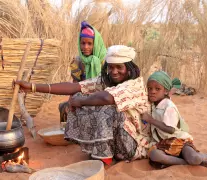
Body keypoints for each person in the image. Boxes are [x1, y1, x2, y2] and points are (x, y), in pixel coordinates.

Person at [14, 45, 151, 165]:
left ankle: (105, 157)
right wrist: (32, 87)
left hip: (133, 145)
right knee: (79, 95)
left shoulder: (135, 85)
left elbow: (107, 98)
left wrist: (80, 102)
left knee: (105, 107)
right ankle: (102, 151)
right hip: (118, 141)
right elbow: (75, 87)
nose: (114, 72)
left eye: (119, 67)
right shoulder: (106, 80)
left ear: (128, 68)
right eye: (111, 67)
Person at [141, 71, 207, 168]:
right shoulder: (153, 103)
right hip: (163, 143)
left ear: (165, 91)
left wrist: (150, 120)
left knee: (194, 158)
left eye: (157, 89)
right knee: (154, 155)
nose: (152, 91)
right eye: (149, 88)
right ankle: (184, 162)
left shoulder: (169, 106)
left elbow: (170, 129)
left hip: (179, 141)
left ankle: (206, 156)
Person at [59, 21, 107, 123]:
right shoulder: (77, 61)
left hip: (103, 96)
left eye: (89, 43)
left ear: (96, 44)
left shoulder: (105, 60)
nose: (85, 47)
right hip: (84, 95)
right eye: (83, 43)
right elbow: (75, 85)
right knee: (66, 109)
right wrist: (70, 101)